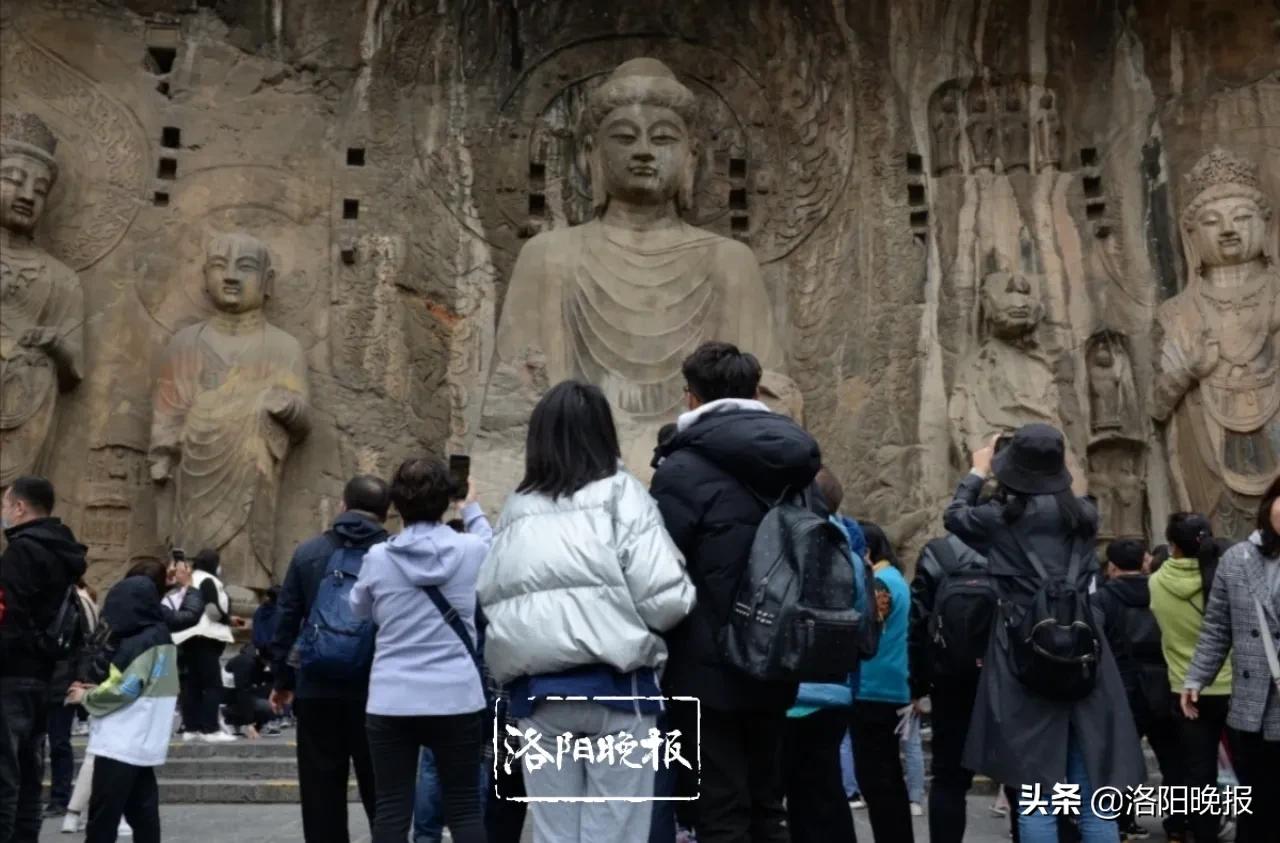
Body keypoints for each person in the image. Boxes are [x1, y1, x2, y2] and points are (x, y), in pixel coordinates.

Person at [478, 380, 695, 842]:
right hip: (618, 692)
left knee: (554, 833)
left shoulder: (517, 508)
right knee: (615, 833)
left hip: (539, 698)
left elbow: (491, 597)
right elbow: (667, 600)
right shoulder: (623, 493)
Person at [650, 341, 822, 843]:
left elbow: (657, 566)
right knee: (768, 804)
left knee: (719, 810)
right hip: (777, 656)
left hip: (705, 667)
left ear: (691, 397)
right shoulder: (797, 464)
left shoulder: (682, 469)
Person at [944, 424, 1144, 843]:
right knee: (1092, 792)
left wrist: (978, 471)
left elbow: (954, 517)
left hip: (1023, 656)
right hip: (1085, 653)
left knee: (1037, 795)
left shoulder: (999, 520)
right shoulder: (1085, 517)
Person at [350, 458, 492, 843]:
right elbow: (495, 546)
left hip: (391, 698)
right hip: (456, 696)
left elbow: (358, 608)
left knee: (392, 809)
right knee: (464, 807)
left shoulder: (379, 557)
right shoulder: (470, 550)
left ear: (396, 504)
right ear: (447, 499)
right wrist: (471, 507)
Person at [270, 474, 390, 843]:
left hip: (317, 685)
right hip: (378, 691)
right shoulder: (394, 553)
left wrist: (282, 681)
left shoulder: (308, 553)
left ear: (342, 505)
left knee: (321, 792)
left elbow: (287, 621)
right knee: (384, 792)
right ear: (386, 514)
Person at [1181, 476, 1280, 843]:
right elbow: (1217, 628)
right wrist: (1196, 678)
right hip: (1252, 707)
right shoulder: (1237, 560)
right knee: (1257, 809)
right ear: (1268, 503)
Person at [0, 476, 88, 843]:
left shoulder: (21, 551)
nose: (3, 513)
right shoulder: (62, 553)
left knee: (4, 777)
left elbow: (8, 616)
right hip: (45, 676)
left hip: (11, 675)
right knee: (30, 773)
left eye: (5, 505)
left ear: (20, 507)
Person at [65, 571, 180, 843]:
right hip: (144, 739)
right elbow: (142, 685)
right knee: (144, 814)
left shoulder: (139, 640)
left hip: (121, 739)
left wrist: (86, 698)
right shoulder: (161, 637)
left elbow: (128, 689)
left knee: (104, 817)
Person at [781, 467, 862, 843]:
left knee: (775, 798)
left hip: (787, 693)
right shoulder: (851, 552)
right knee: (826, 796)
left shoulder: (782, 541)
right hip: (834, 693)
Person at [1149, 512, 1231, 843]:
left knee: (1199, 773)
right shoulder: (1224, 577)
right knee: (1254, 767)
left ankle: (1203, 833)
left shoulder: (1156, 581)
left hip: (1185, 689)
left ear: (1172, 547)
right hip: (1233, 685)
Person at [1092, 539, 1179, 841]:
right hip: (1165, 682)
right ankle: (1177, 824)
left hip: (1122, 684)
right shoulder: (1163, 590)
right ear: (1144, 562)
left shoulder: (1102, 599)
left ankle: (1121, 822)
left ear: (1112, 567)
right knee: (1173, 759)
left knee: (1120, 758)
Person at [908, 529, 991, 843]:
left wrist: (917, 684)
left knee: (948, 780)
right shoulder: (1015, 551)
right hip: (1005, 684)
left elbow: (917, 624)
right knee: (1022, 783)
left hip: (949, 682)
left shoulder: (936, 553)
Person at [849, 522, 915, 842]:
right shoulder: (896, 579)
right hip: (890, 686)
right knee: (887, 777)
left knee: (878, 780)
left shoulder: (880, 584)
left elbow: (866, 629)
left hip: (875, 688)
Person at [43, 579, 99, 820]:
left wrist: (79, 678)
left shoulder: (76, 601)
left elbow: (86, 645)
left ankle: (59, 797)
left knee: (58, 742)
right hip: (40, 678)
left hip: (61, 679)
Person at [171, 548, 233, 742]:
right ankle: (210, 729)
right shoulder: (208, 580)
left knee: (191, 684)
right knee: (212, 685)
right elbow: (212, 610)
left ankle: (191, 727)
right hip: (205, 636)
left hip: (185, 637)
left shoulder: (187, 580)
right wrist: (227, 619)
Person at [223, 643, 275, 738]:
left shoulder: (258, 663)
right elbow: (242, 692)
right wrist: (249, 723)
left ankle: (258, 724)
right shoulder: (245, 662)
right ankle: (230, 719)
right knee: (265, 706)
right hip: (229, 698)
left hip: (243, 694)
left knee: (274, 692)